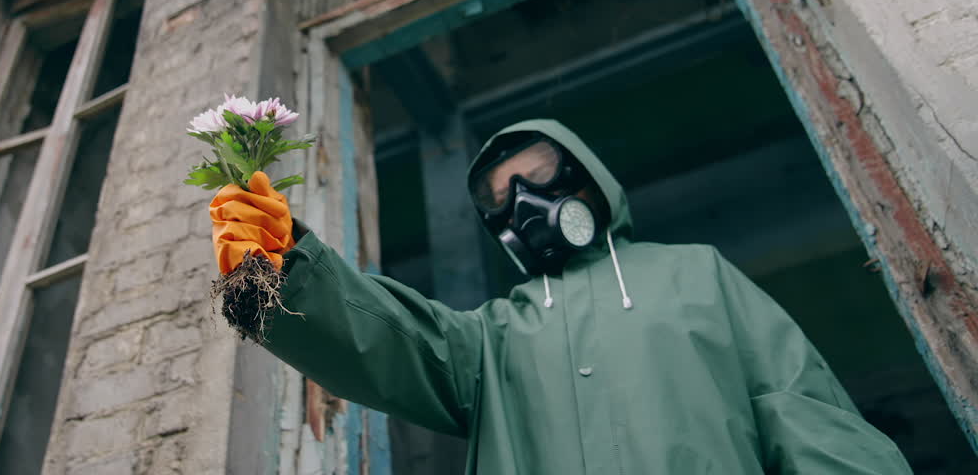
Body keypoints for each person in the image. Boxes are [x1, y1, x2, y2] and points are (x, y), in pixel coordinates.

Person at [208, 119, 912, 474]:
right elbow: (384, 337)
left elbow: (808, 419)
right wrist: (277, 266)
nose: (526, 203)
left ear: (587, 181)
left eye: (541, 176)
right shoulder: (493, 337)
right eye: (503, 197)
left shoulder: (698, 275)